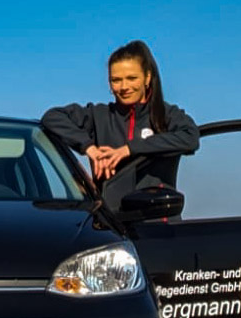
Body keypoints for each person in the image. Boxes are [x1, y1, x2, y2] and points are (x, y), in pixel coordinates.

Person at [41, 40, 199, 209]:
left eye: (132, 78)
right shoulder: (99, 115)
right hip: (110, 220)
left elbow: (191, 138)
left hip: (158, 219)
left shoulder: (166, 115)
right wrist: (89, 148)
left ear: (147, 77)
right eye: (116, 80)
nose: (124, 87)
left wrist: (129, 149)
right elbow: (52, 117)